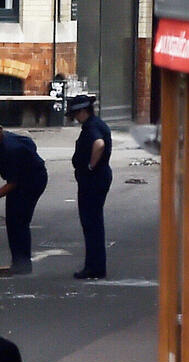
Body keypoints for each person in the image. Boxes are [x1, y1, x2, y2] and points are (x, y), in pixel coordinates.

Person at [0, 123, 48, 275]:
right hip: (21, 180)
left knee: (20, 220)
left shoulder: (12, 151)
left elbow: (14, 183)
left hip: (32, 181)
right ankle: (17, 260)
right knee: (12, 219)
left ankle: (23, 263)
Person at [67, 94, 112, 279]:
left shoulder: (92, 127)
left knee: (91, 223)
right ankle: (95, 265)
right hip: (97, 178)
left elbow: (99, 144)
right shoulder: (96, 124)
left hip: (93, 180)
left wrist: (91, 166)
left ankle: (94, 267)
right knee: (94, 222)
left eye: (75, 114)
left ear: (83, 111)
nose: (75, 118)